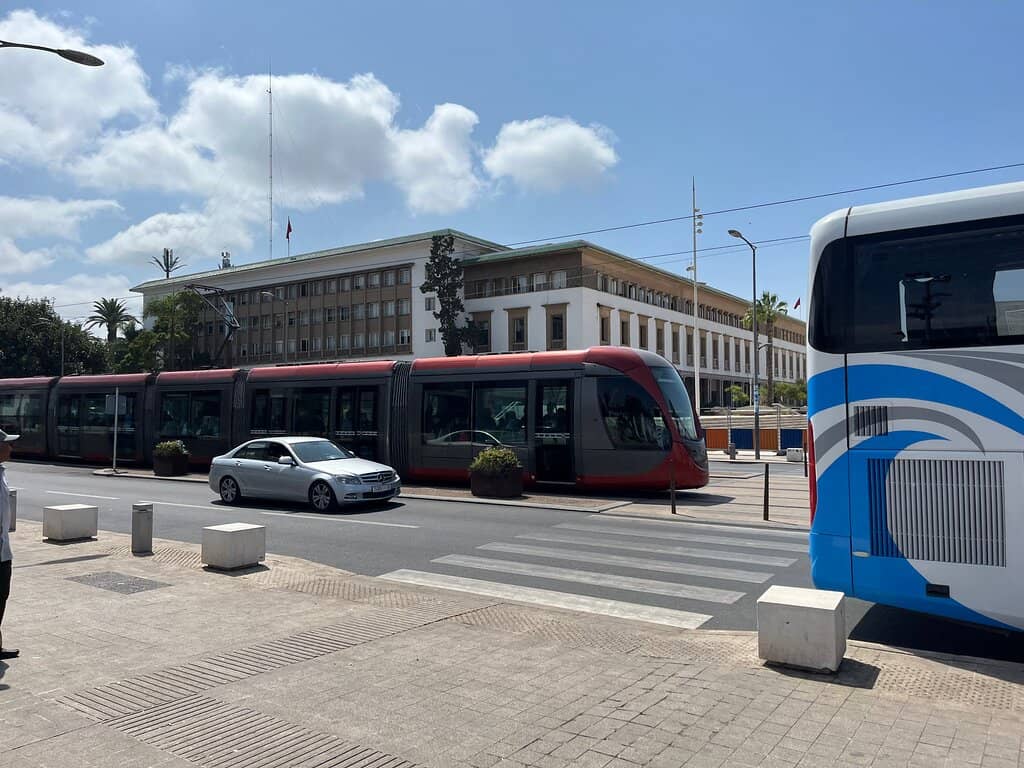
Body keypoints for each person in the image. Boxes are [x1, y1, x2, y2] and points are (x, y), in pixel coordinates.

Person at [0, 428, 19, 660]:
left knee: (2, 595)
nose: (11, 448)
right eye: (7, 444)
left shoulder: (1, 472)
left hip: (3, 549)